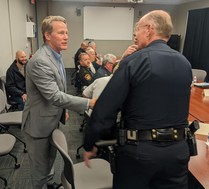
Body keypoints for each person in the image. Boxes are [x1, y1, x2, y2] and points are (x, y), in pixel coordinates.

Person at [83, 10, 192, 189]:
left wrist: (90, 143)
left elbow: (105, 108)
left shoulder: (134, 61)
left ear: (149, 29)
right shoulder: (185, 63)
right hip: (178, 152)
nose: (135, 36)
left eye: (138, 30)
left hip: (140, 154)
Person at [21, 15, 95, 189]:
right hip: (38, 126)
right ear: (48, 35)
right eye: (61, 33)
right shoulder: (40, 61)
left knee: (50, 160)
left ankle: (49, 183)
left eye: (67, 32)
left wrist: (63, 110)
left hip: (51, 119)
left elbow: (60, 87)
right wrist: (88, 103)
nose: (66, 36)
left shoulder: (55, 55)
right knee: (40, 170)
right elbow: (54, 96)